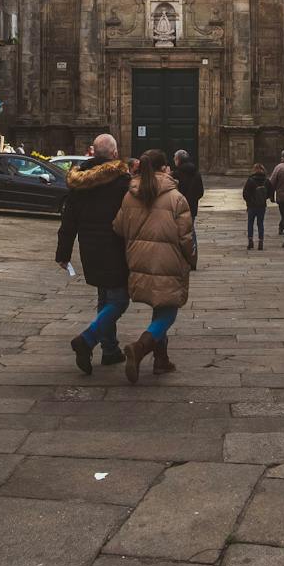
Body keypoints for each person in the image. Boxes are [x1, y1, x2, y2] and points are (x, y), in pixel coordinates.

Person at [111, 150, 194, 383]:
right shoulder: (176, 197)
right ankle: (140, 348)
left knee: (161, 307)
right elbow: (186, 236)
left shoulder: (130, 195)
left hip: (138, 260)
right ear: (165, 168)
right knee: (167, 311)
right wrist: (192, 259)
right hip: (167, 260)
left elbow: (117, 226)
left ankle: (161, 360)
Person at [56, 133, 132, 374]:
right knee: (119, 300)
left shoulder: (80, 183)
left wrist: (64, 252)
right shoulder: (121, 182)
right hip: (116, 247)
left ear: (93, 153)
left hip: (89, 248)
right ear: (115, 153)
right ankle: (88, 339)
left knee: (104, 298)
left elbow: (69, 220)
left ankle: (110, 350)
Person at [173, 149, 204, 266]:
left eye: (175, 159)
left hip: (178, 208)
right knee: (191, 232)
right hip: (192, 207)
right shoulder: (196, 173)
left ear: (178, 160)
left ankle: (180, 259)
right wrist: (192, 199)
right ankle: (192, 258)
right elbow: (200, 192)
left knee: (178, 232)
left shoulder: (176, 174)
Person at [242, 163, 272, 250]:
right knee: (260, 223)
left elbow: (245, 193)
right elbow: (270, 191)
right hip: (262, 205)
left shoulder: (250, 180)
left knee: (250, 223)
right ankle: (260, 242)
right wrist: (263, 198)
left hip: (252, 206)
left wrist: (250, 201)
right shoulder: (266, 180)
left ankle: (250, 241)